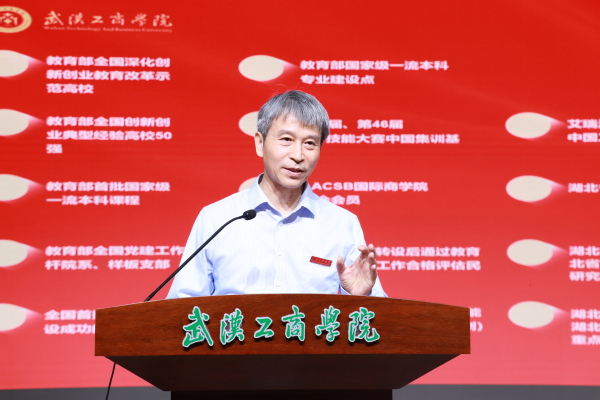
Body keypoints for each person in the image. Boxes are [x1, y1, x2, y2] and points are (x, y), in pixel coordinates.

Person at [166, 90, 386, 298]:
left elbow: (376, 318)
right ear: (260, 143)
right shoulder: (217, 218)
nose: (298, 155)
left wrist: (361, 297)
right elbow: (183, 307)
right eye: (286, 140)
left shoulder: (342, 223)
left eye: (310, 143)